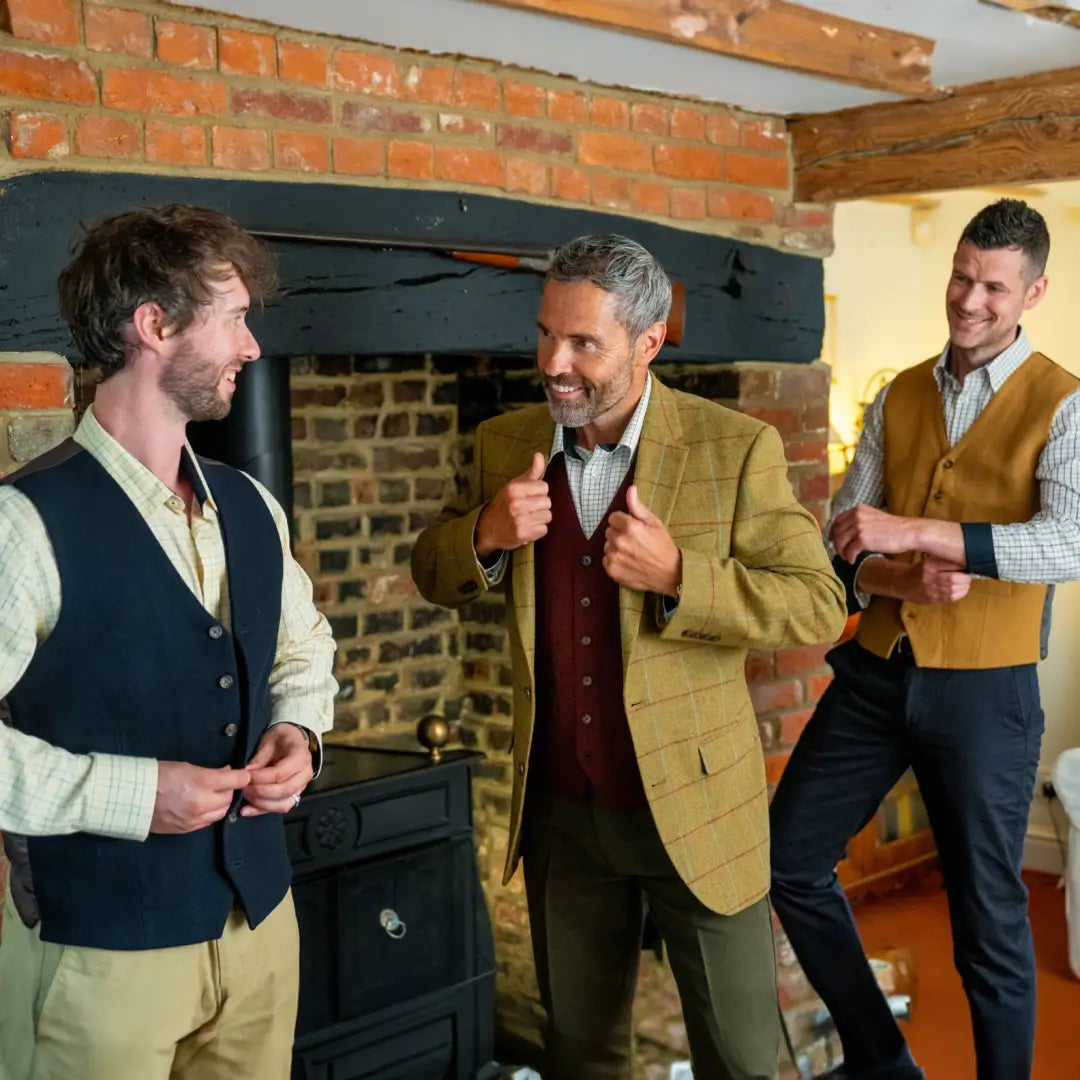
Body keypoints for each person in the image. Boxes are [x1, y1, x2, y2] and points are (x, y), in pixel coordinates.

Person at [412, 233, 847, 1080]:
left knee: (742, 1059)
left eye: (583, 343)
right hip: (564, 814)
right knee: (581, 1053)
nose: (554, 362)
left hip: (696, 808)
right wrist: (485, 537)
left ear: (648, 342)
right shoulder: (507, 442)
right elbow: (434, 569)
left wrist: (683, 575)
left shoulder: (734, 448)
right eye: (546, 334)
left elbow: (818, 601)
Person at [0, 204, 338, 1080]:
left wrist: (300, 733)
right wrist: (128, 796)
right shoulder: (21, 526)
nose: (252, 346)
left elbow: (303, 649)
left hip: (260, 931)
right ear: (153, 326)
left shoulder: (251, 506)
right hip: (102, 958)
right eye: (232, 317)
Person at [769, 199, 1080, 1080]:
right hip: (875, 674)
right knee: (788, 860)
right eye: (961, 276)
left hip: (986, 693)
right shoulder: (899, 394)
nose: (970, 300)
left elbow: (1071, 541)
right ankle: (881, 1062)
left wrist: (927, 535)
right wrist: (893, 573)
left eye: (994, 286)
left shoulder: (1064, 404)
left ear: (1033, 293)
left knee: (988, 922)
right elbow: (843, 535)